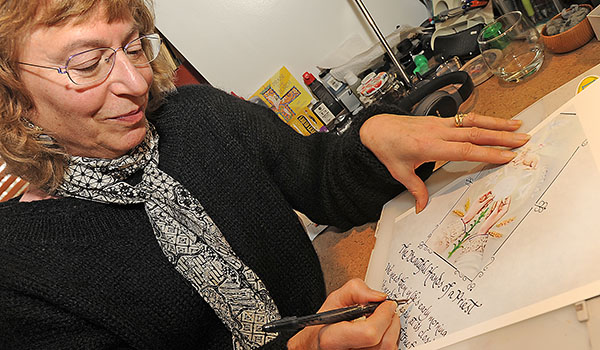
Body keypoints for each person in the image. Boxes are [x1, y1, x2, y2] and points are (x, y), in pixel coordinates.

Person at [0, 1, 531, 349]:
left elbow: (322, 181)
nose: (135, 83)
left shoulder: (203, 115)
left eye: (133, 46)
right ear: (12, 95)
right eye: (88, 62)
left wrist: (370, 144)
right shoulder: (18, 275)